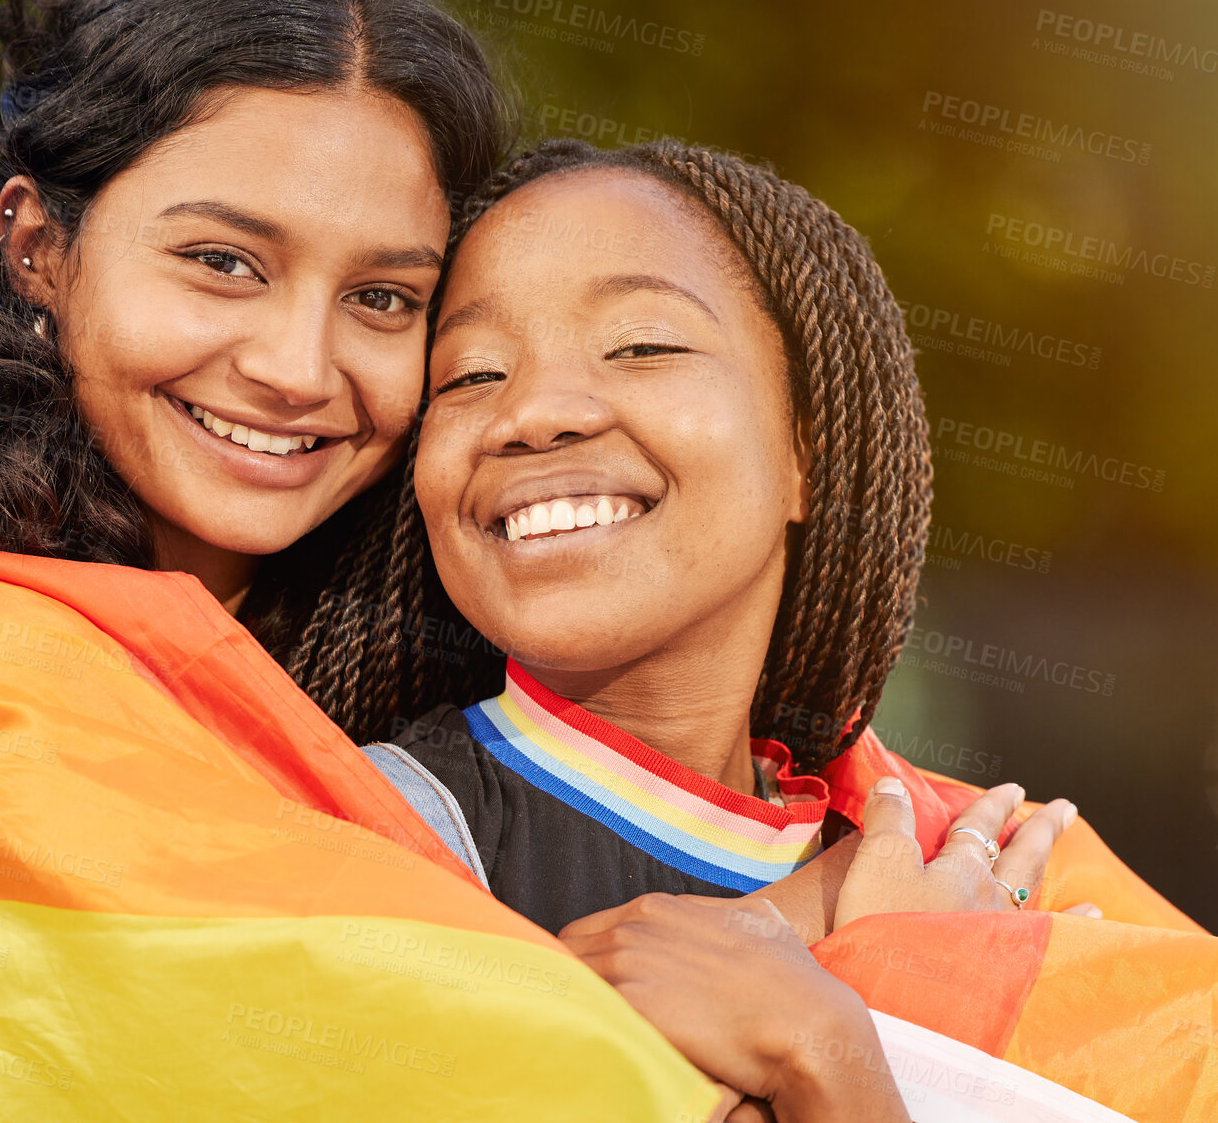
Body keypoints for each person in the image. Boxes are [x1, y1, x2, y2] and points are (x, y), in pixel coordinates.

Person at [0, 0, 903, 1122]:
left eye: (382, 297)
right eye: (222, 261)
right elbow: (506, 1067)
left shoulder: (361, 679)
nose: (299, 367)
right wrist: (823, 951)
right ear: (40, 247)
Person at [373, 136, 1217, 1122]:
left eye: (641, 344)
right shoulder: (378, 828)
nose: (536, 412)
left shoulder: (1003, 865)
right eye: (469, 373)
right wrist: (852, 1020)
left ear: (806, 451)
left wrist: (841, 1027)